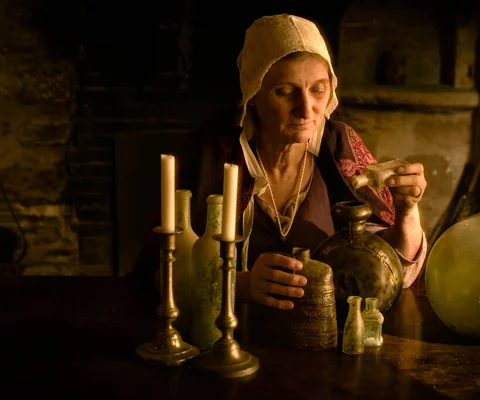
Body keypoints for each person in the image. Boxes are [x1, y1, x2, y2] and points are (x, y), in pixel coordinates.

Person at [131, 14, 428, 311]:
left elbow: (391, 272)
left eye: (318, 90)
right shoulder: (212, 152)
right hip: (230, 338)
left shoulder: (338, 147)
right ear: (253, 96)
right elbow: (163, 275)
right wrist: (240, 285)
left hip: (322, 337)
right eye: (285, 92)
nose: (306, 109)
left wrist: (406, 213)